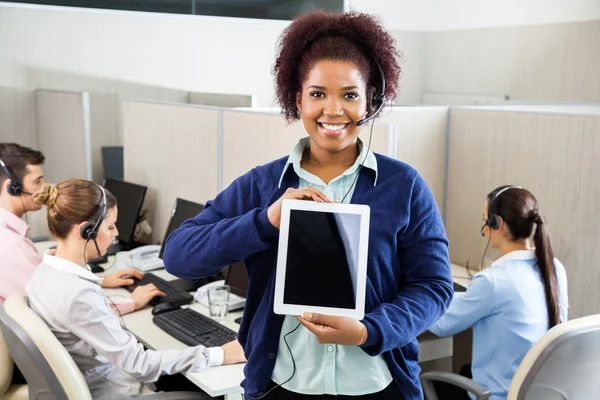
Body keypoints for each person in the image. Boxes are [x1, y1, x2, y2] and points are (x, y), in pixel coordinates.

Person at [164, 11, 453, 399]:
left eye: (349, 95)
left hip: (375, 387)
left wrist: (370, 330)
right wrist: (265, 222)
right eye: (318, 94)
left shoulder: (404, 186)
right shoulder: (263, 184)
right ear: (296, 98)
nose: (333, 110)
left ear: (370, 101)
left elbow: (434, 287)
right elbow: (180, 256)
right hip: (282, 387)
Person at [26, 180, 245, 399]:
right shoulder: (79, 294)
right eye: (110, 226)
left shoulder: (43, 272)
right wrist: (218, 354)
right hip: (115, 390)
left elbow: (80, 320)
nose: (116, 233)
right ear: (86, 231)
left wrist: (127, 302)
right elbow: (138, 363)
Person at [429, 186, 569, 400]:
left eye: (485, 220)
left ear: (497, 224)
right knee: (466, 368)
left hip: (498, 394)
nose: (484, 228)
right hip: (535, 392)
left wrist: (418, 294)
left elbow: (442, 324)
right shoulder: (554, 268)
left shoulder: (493, 281)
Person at [0, 142, 151, 312]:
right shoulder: (11, 248)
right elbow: (63, 306)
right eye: (37, 181)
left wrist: (99, 280)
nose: (44, 186)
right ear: (12, 188)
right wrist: (132, 302)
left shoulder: (8, 236)